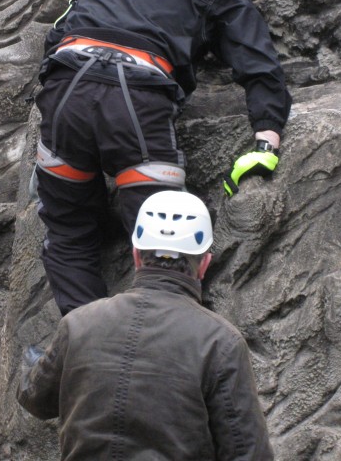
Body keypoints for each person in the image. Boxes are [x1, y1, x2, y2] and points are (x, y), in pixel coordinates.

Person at [33, 0, 292, 315]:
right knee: (164, 246)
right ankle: (162, 354)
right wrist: (266, 138)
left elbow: (58, 34)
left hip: (66, 91)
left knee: (68, 232)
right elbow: (259, 63)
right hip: (135, 98)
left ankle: (84, 348)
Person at [17, 191, 275, 460]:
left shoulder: (78, 324)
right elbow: (249, 453)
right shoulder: (221, 342)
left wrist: (30, 361)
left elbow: (35, 398)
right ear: (204, 264)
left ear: (136, 255)